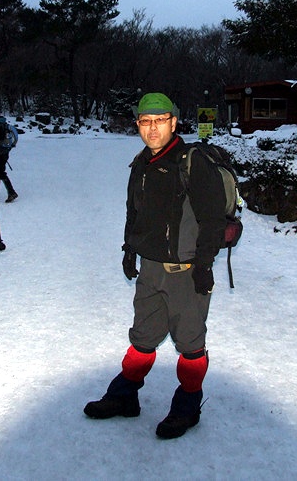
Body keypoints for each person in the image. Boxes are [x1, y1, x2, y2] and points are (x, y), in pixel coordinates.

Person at [84, 93, 226, 439]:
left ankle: (188, 405)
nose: (152, 128)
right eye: (145, 122)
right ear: (138, 126)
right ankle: (124, 397)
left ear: (174, 122)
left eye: (160, 120)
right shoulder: (140, 164)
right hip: (150, 270)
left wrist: (204, 265)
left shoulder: (192, 162)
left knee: (190, 344)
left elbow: (213, 219)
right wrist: (129, 249)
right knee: (143, 338)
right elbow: (134, 213)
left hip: (186, 272)